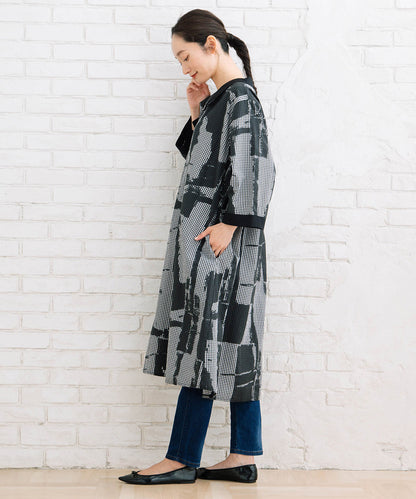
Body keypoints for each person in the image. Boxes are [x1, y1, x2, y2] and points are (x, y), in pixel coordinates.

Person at [119, 8, 276, 486]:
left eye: (185, 56)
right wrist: (197, 112)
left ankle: (181, 458)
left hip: (220, 240)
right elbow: (209, 165)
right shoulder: (224, 100)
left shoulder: (241, 99)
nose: (184, 67)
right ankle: (242, 455)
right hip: (219, 238)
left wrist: (231, 222)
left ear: (211, 44)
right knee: (234, 340)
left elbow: (258, 165)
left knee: (203, 340)